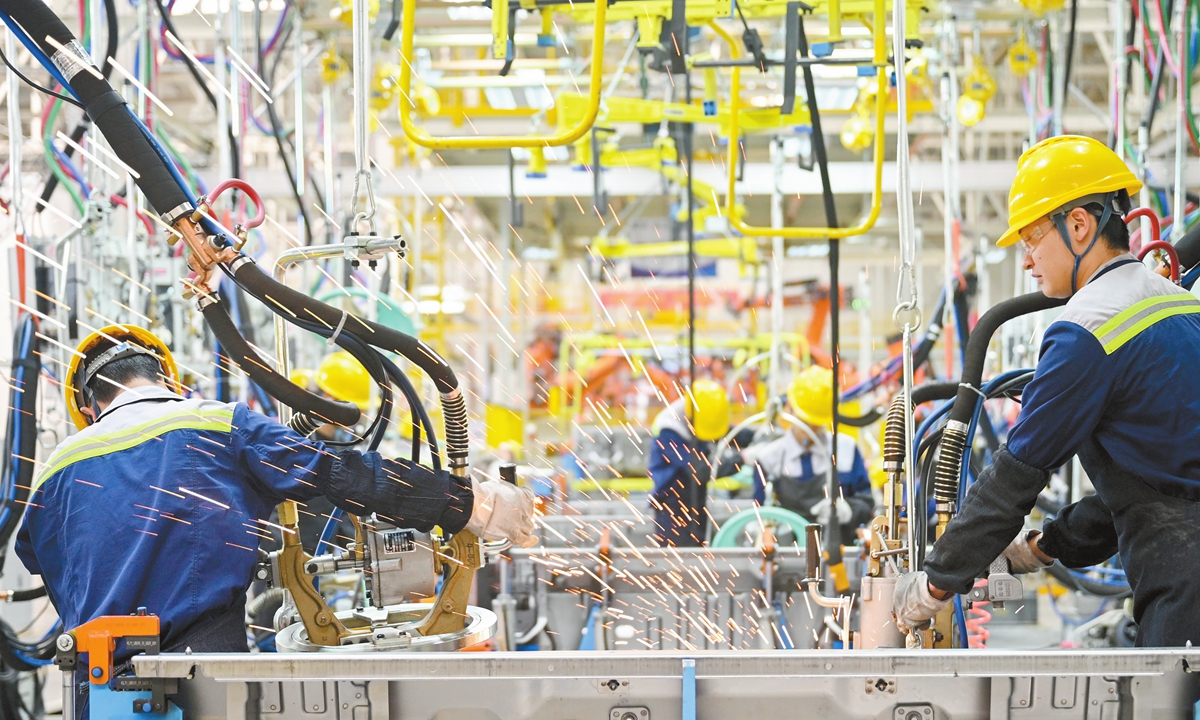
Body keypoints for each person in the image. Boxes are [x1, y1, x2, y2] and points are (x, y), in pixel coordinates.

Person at [15, 325, 538, 657]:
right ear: (171, 382)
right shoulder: (217, 423)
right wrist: (472, 504)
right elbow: (343, 474)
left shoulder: (54, 471)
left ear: (86, 407)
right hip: (199, 670)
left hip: (88, 676)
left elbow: (39, 558)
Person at [893, 135, 1200, 647]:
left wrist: (933, 585)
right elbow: (1156, 487)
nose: (1028, 260)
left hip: (1185, 588)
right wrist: (1041, 546)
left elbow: (1015, 477)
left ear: (1079, 225)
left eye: (1032, 239)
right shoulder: (1180, 306)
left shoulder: (1085, 330)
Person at [744, 366, 873, 544]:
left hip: (840, 555)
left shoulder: (846, 450)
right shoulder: (769, 459)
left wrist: (848, 510)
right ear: (789, 409)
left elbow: (867, 502)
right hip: (788, 557)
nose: (810, 429)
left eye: (816, 423)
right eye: (805, 420)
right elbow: (760, 514)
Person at [647, 380, 729, 546]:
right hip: (672, 508)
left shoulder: (699, 412)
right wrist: (741, 458)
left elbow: (720, 431)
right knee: (678, 563)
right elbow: (699, 470)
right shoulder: (669, 430)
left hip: (696, 500)